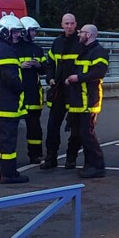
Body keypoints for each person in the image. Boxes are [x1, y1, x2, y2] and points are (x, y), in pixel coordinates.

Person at [0, 14, 30, 185]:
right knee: (8, 141)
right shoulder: (5, 49)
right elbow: (10, 77)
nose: (17, 35)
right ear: (6, 32)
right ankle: (9, 174)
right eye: (15, 32)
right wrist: (21, 88)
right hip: (6, 103)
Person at [66, 23, 108, 178]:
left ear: (88, 35)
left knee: (87, 134)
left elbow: (99, 72)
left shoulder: (99, 52)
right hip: (79, 100)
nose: (79, 35)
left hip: (89, 101)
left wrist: (78, 78)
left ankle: (97, 165)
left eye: (81, 32)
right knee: (82, 134)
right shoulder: (84, 51)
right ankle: (89, 164)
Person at [40, 12, 80, 170]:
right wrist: (49, 78)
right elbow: (50, 63)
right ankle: (51, 158)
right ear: (62, 25)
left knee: (75, 126)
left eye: (71, 23)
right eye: (66, 24)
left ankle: (71, 158)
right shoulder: (57, 43)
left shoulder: (80, 42)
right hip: (59, 91)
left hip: (75, 91)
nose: (69, 26)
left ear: (76, 24)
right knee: (52, 126)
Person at [18, 16, 47, 165]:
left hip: (33, 94)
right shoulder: (12, 48)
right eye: (33, 31)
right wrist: (20, 66)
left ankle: (35, 154)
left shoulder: (37, 49)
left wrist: (38, 66)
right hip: (17, 94)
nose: (35, 33)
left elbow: (45, 69)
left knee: (34, 128)